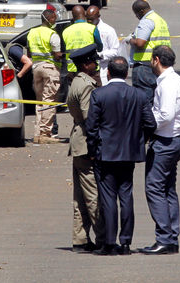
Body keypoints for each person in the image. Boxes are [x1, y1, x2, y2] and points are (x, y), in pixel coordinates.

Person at [86, 57, 156, 255]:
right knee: (126, 196)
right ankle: (125, 242)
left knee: (108, 198)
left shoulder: (99, 94)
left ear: (108, 73)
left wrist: (92, 151)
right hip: (129, 153)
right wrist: (138, 140)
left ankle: (109, 242)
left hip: (105, 154)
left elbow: (91, 127)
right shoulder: (139, 95)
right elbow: (150, 123)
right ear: (126, 74)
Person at [140, 46, 180, 255]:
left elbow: (166, 115)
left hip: (166, 142)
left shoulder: (167, 84)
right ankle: (171, 237)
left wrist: (147, 125)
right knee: (167, 189)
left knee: (154, 187)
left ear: (156, 60)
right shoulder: (175, 80)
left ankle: (164, 238)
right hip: (174, 140)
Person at [67, 44, 104, 253]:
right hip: (85, 143)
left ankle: (80, 239)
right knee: (93, 194)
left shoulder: (78, 81)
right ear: (84, 64)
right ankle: (102, 236)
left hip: (78, 141)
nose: (95, 64)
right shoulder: (87, 86)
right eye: (92, 61)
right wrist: (94, 147)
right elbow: (91, 119)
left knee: (80, 196)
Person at [27, 8, 63, 144]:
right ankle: (45, 133)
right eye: (54, 18)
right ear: (50, 19)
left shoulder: (32, 32)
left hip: (36, 68)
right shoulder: (52, 34)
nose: (55, 20)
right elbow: (57, 54)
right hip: (50, 69)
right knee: (49, 101)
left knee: (39, 101)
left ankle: (37, 133)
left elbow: (29, 52)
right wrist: (64, 56)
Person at [129, 0, 171, 104]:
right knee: (156, 99)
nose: (137, 17)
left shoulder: (146, 21)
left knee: (143, 102)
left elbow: (140, 43)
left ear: (141, 11)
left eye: (136, 14)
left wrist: (130, 40)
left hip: (144, 65)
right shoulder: (160, 20)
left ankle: (145, 120)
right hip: (159, 65)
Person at [62, 5, 103, 86]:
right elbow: (100, 47)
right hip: (91, 69)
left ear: (73, 17)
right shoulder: (92, 28)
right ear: (84, 15)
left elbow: (63, 50)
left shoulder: (65, 31)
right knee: (95, 94)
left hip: (73, 70)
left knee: (75, 95)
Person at [86, 5, 120, 86]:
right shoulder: (84, 29)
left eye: (91, 19)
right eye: (87, 19)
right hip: (88, 70)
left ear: (98, 16)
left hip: (103, 70)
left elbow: (115, 51)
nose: (89, 21)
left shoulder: (108, 30)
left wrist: (101, 55)